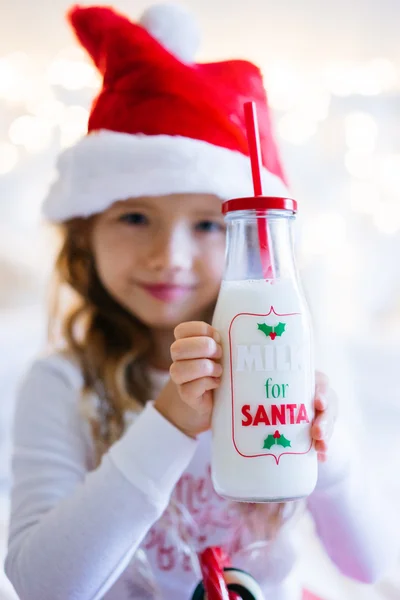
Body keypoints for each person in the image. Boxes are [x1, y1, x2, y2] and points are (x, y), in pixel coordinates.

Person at [4, 4, 396, 600]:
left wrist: (328, 450)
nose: (170, 255)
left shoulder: (293, 362)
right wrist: (168, 421)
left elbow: (369, 564)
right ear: (84, 236)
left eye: (211, 225)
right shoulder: (63, 384)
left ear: (256, 241)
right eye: (136, 217)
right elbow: (43, 584)